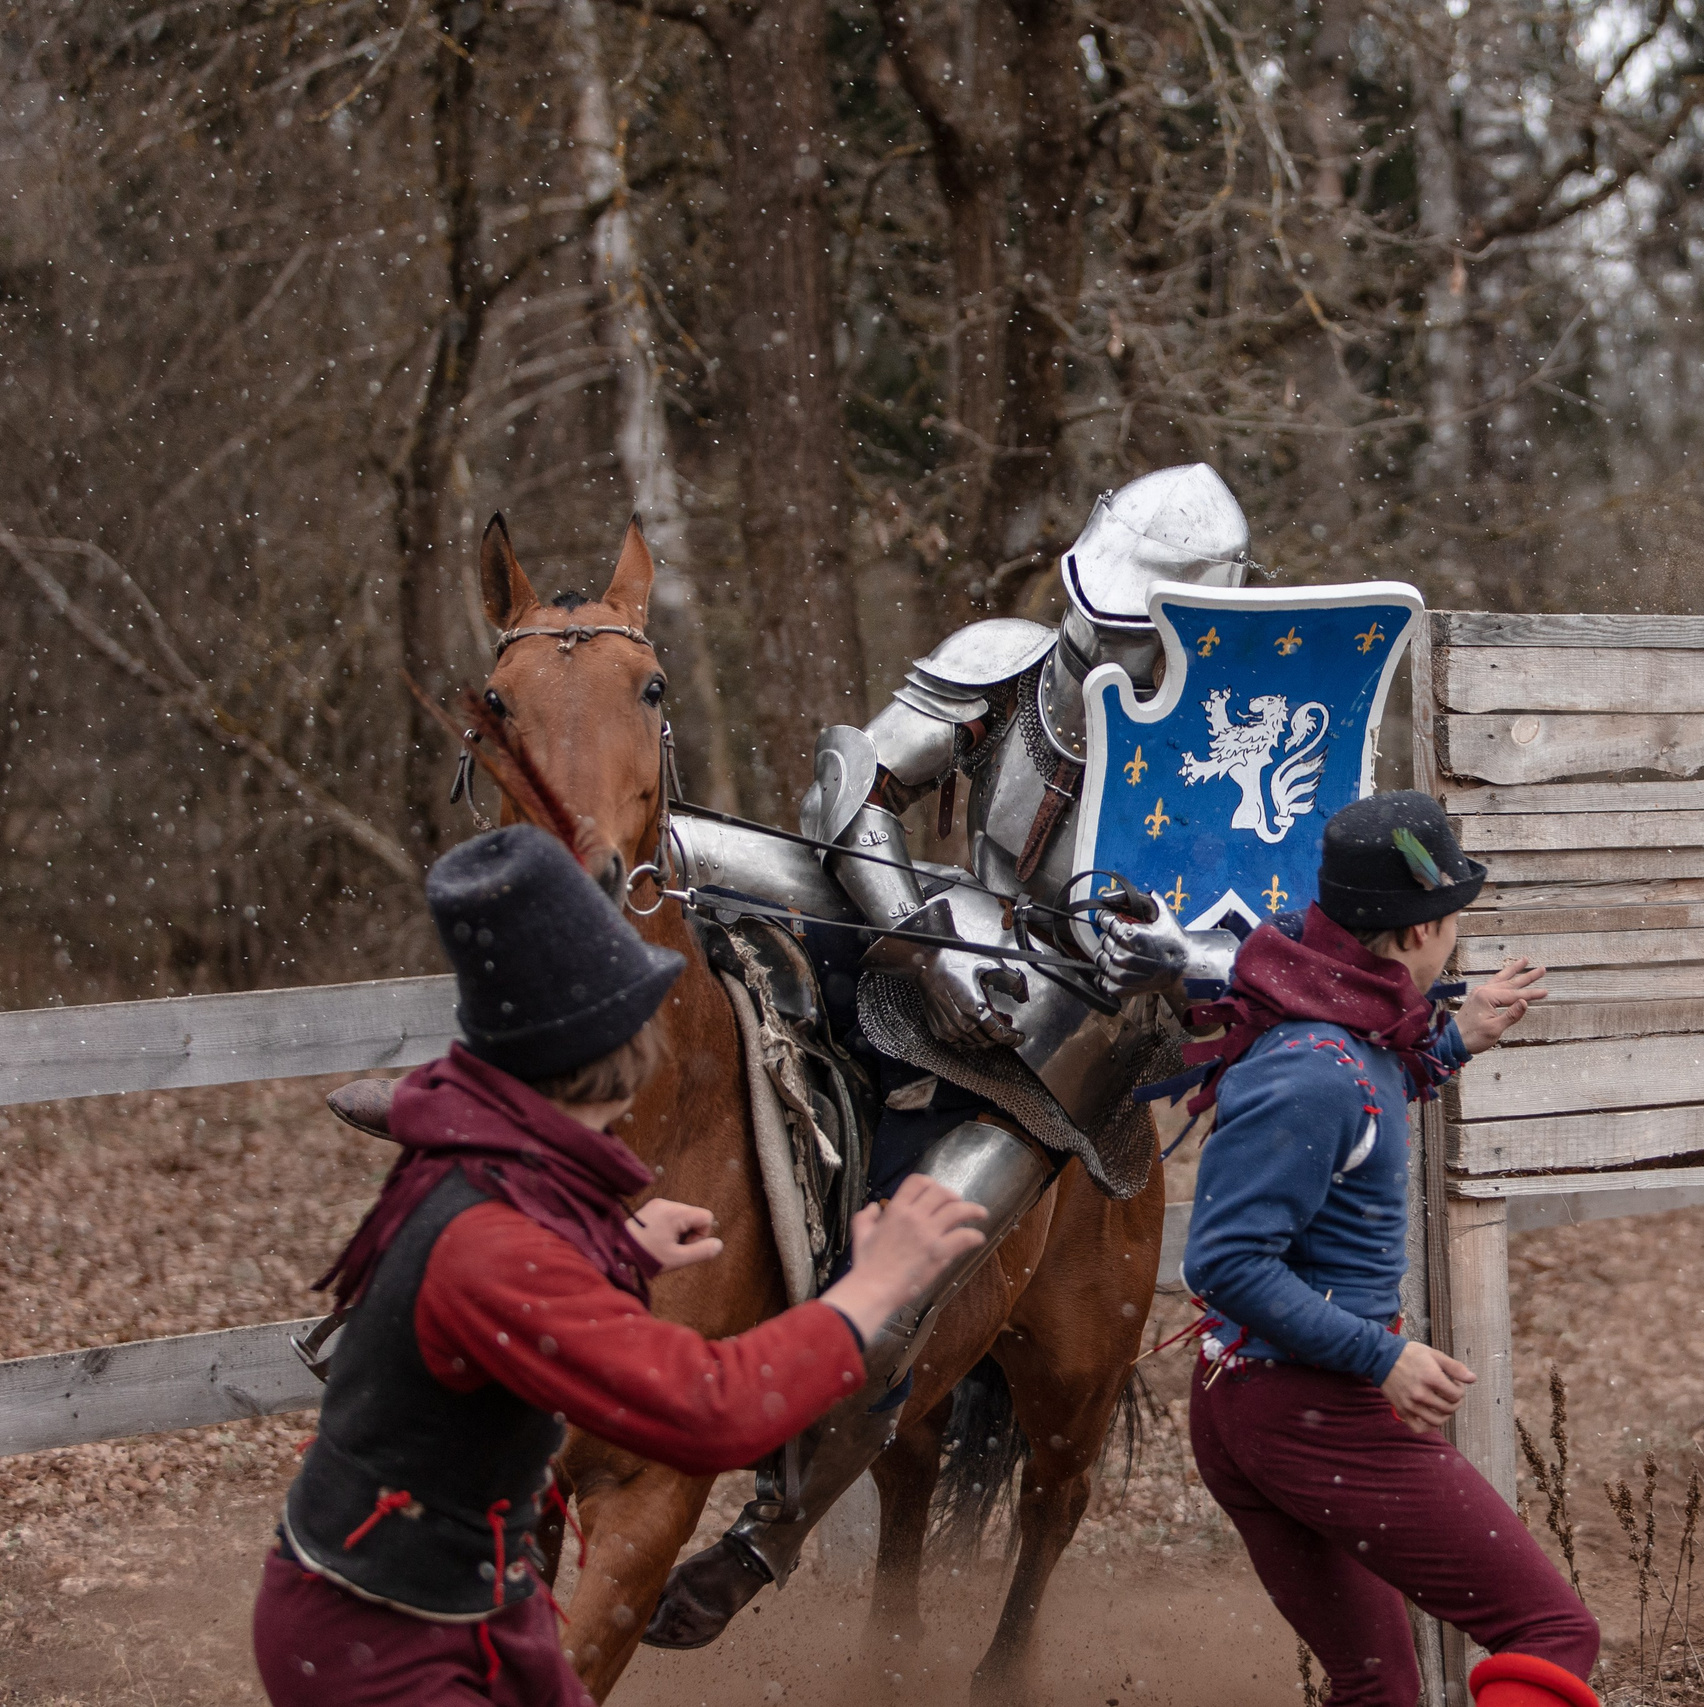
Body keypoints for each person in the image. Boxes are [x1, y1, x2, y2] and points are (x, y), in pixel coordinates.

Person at [648, 461, 1261, 1643]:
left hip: (1076, 1031)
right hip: (934, 926)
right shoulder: (1011, 659)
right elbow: (852, 783)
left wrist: (1172, 959)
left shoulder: (1243, 727)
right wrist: (921, 941)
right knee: (679, 860)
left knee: (917, 1268)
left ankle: (764, 1539)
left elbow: (1262, 932)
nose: (1101, 631)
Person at [249, 825, 987, 1707]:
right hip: (379, 1636)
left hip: (460, 1598)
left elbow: (508, 1274)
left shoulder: (468, 1149)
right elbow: (705, 1407)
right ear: (582, 1072)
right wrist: (868, 1292)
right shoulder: (491, 1243)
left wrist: (619, 1250)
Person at [1178, 791, 1600, 1707]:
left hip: (1253, 1404)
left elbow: (1358, 1109)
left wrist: (1456, 1041)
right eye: (1452, 924)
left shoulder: (1331, 1015)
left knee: (1377, 1682)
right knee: (1553, 1631)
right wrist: (1385, 1356)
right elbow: (1223, 1261)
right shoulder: (1312, 1069)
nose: (1455, 944)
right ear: (1416, 934)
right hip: (1307, 1410)